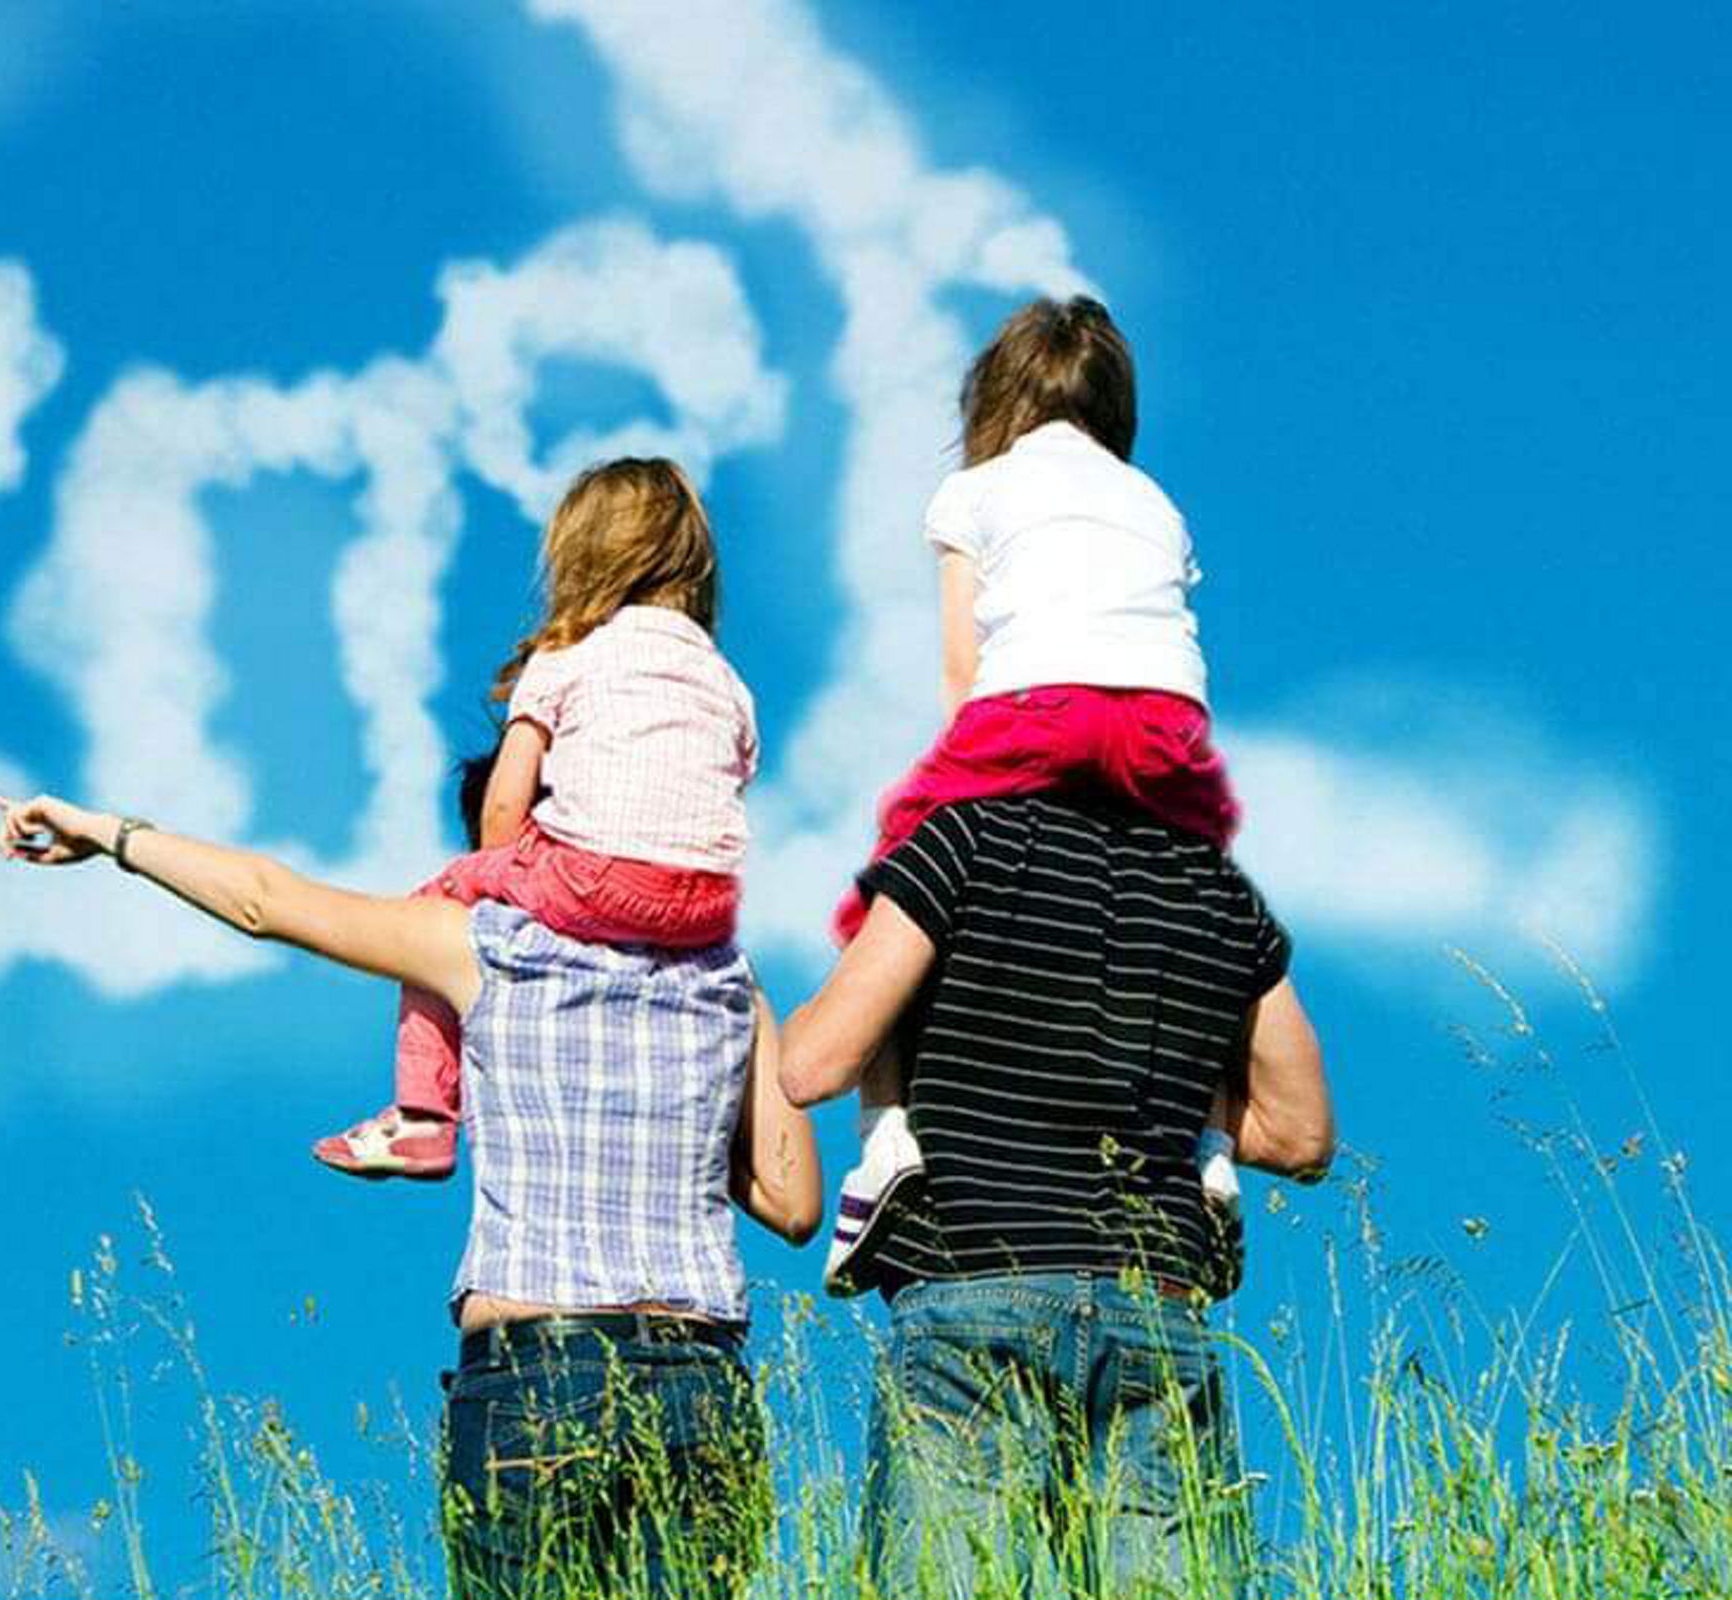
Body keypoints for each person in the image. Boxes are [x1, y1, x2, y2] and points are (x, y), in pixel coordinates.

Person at [0, 775, 819, 1598]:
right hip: (699, 1385)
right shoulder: (727, 982)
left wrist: (109, 834)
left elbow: (264, 901)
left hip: (538, 1373)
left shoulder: (485, 944)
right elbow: (792, 1203)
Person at [782, 792, 1335, 1594]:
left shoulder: (960, 840)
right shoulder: (1214, 887)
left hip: (973, 1293)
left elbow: (813, 1064)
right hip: (1157, 1309)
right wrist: (1153, 1094)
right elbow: (1302, 1135)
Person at [826, 296, 1250, 1282]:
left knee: (890, 881)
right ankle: (1213, 1152)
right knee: (1202, 912)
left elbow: (959, 664)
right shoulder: (1154, 502)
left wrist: (955, 806)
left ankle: (888, 1136)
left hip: (1032, 703)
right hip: (1164, 720)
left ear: (995, 400)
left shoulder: (973, 491)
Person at [314, 456, 758, 1181]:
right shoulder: (727, 682)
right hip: (707, 905)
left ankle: (423, 1119)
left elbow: (503, 805)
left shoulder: (568, 656)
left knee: (435, 904)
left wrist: (501, 896)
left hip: (597, 877)